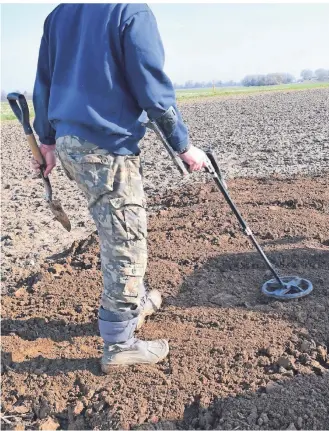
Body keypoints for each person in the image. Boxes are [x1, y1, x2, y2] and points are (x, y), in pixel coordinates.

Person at [31, 3, 208, 373]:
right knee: (126, 241)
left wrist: (47, 141)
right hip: (105, 146)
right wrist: (183, 146)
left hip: (70, 144)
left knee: (116, 225)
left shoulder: (60, 14)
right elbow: (152, 89)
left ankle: (135, 299)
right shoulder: (130, 12)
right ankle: (120, 342)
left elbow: (44, 83)